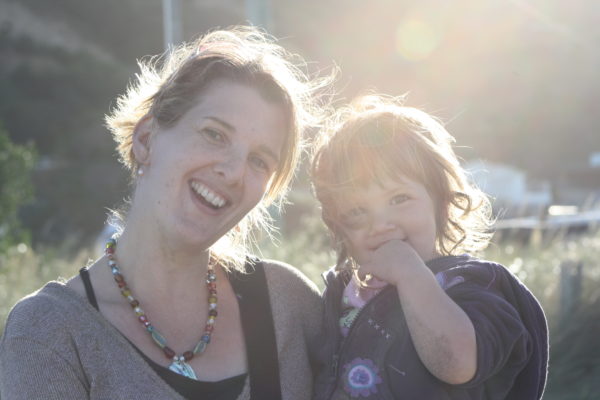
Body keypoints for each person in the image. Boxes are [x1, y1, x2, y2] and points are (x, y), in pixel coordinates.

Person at [0, 26, 333, 399]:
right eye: (214, 134)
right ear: (146, 140)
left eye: (259, 160)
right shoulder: (51, 333)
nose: (235, 172)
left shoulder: (289, 306)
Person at [310, 95, 548, 399]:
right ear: (339, 228)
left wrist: (410, 275)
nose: (380, 224)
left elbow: (457, 364)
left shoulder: (474, 284)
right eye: (357, 211)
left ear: (442, 203)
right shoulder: (340, 294)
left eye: (399, 199)